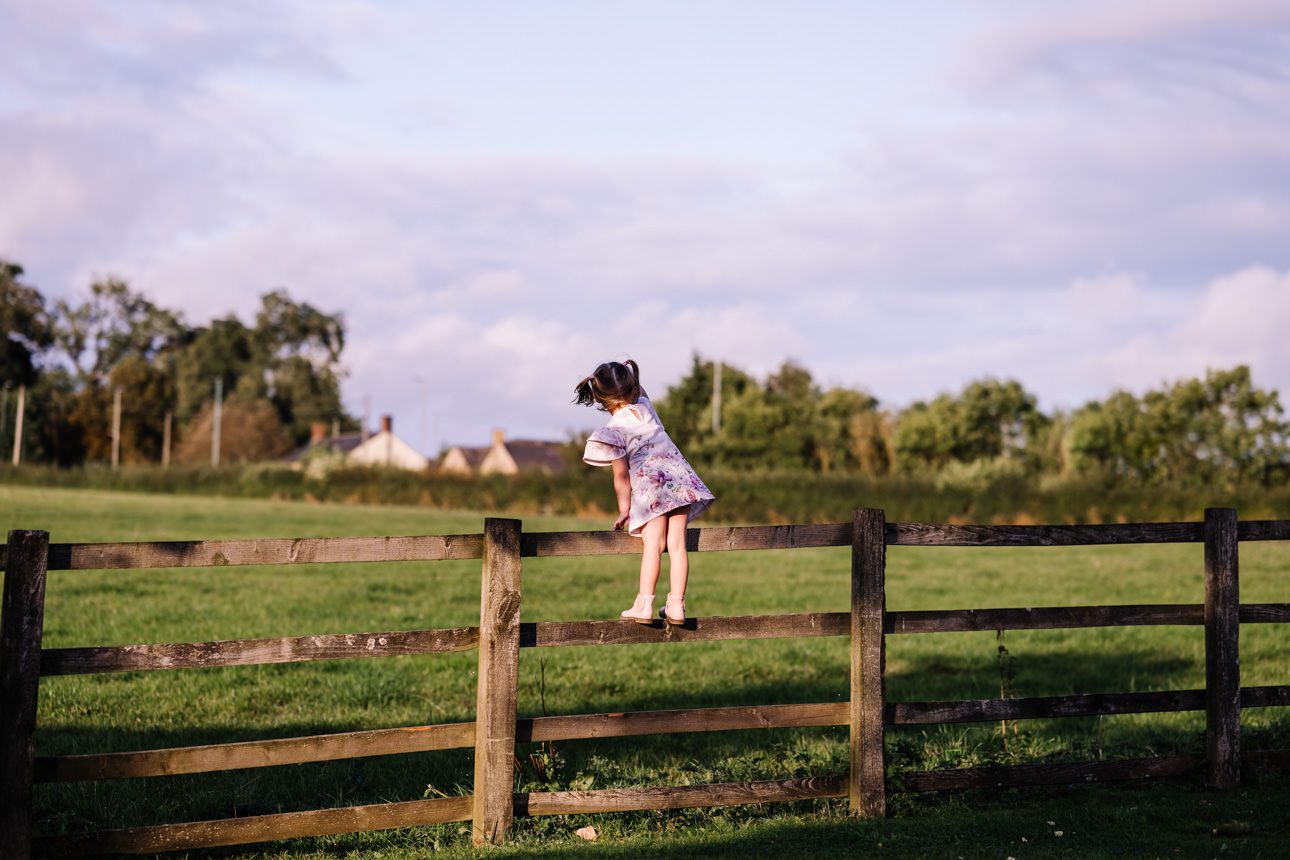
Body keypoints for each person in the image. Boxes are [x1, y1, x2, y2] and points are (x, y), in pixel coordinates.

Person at [574, 359, 715, 625]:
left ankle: (644, 604)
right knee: (676, 546)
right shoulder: (646, 407)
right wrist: (628, 372)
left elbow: (621, 477)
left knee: (653, 545)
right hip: (679, 479)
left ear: (600, 399)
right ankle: (676, 605)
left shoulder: (614, 430)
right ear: (631, 386)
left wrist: (624, 510)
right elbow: (639, 389)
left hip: (652, 487)